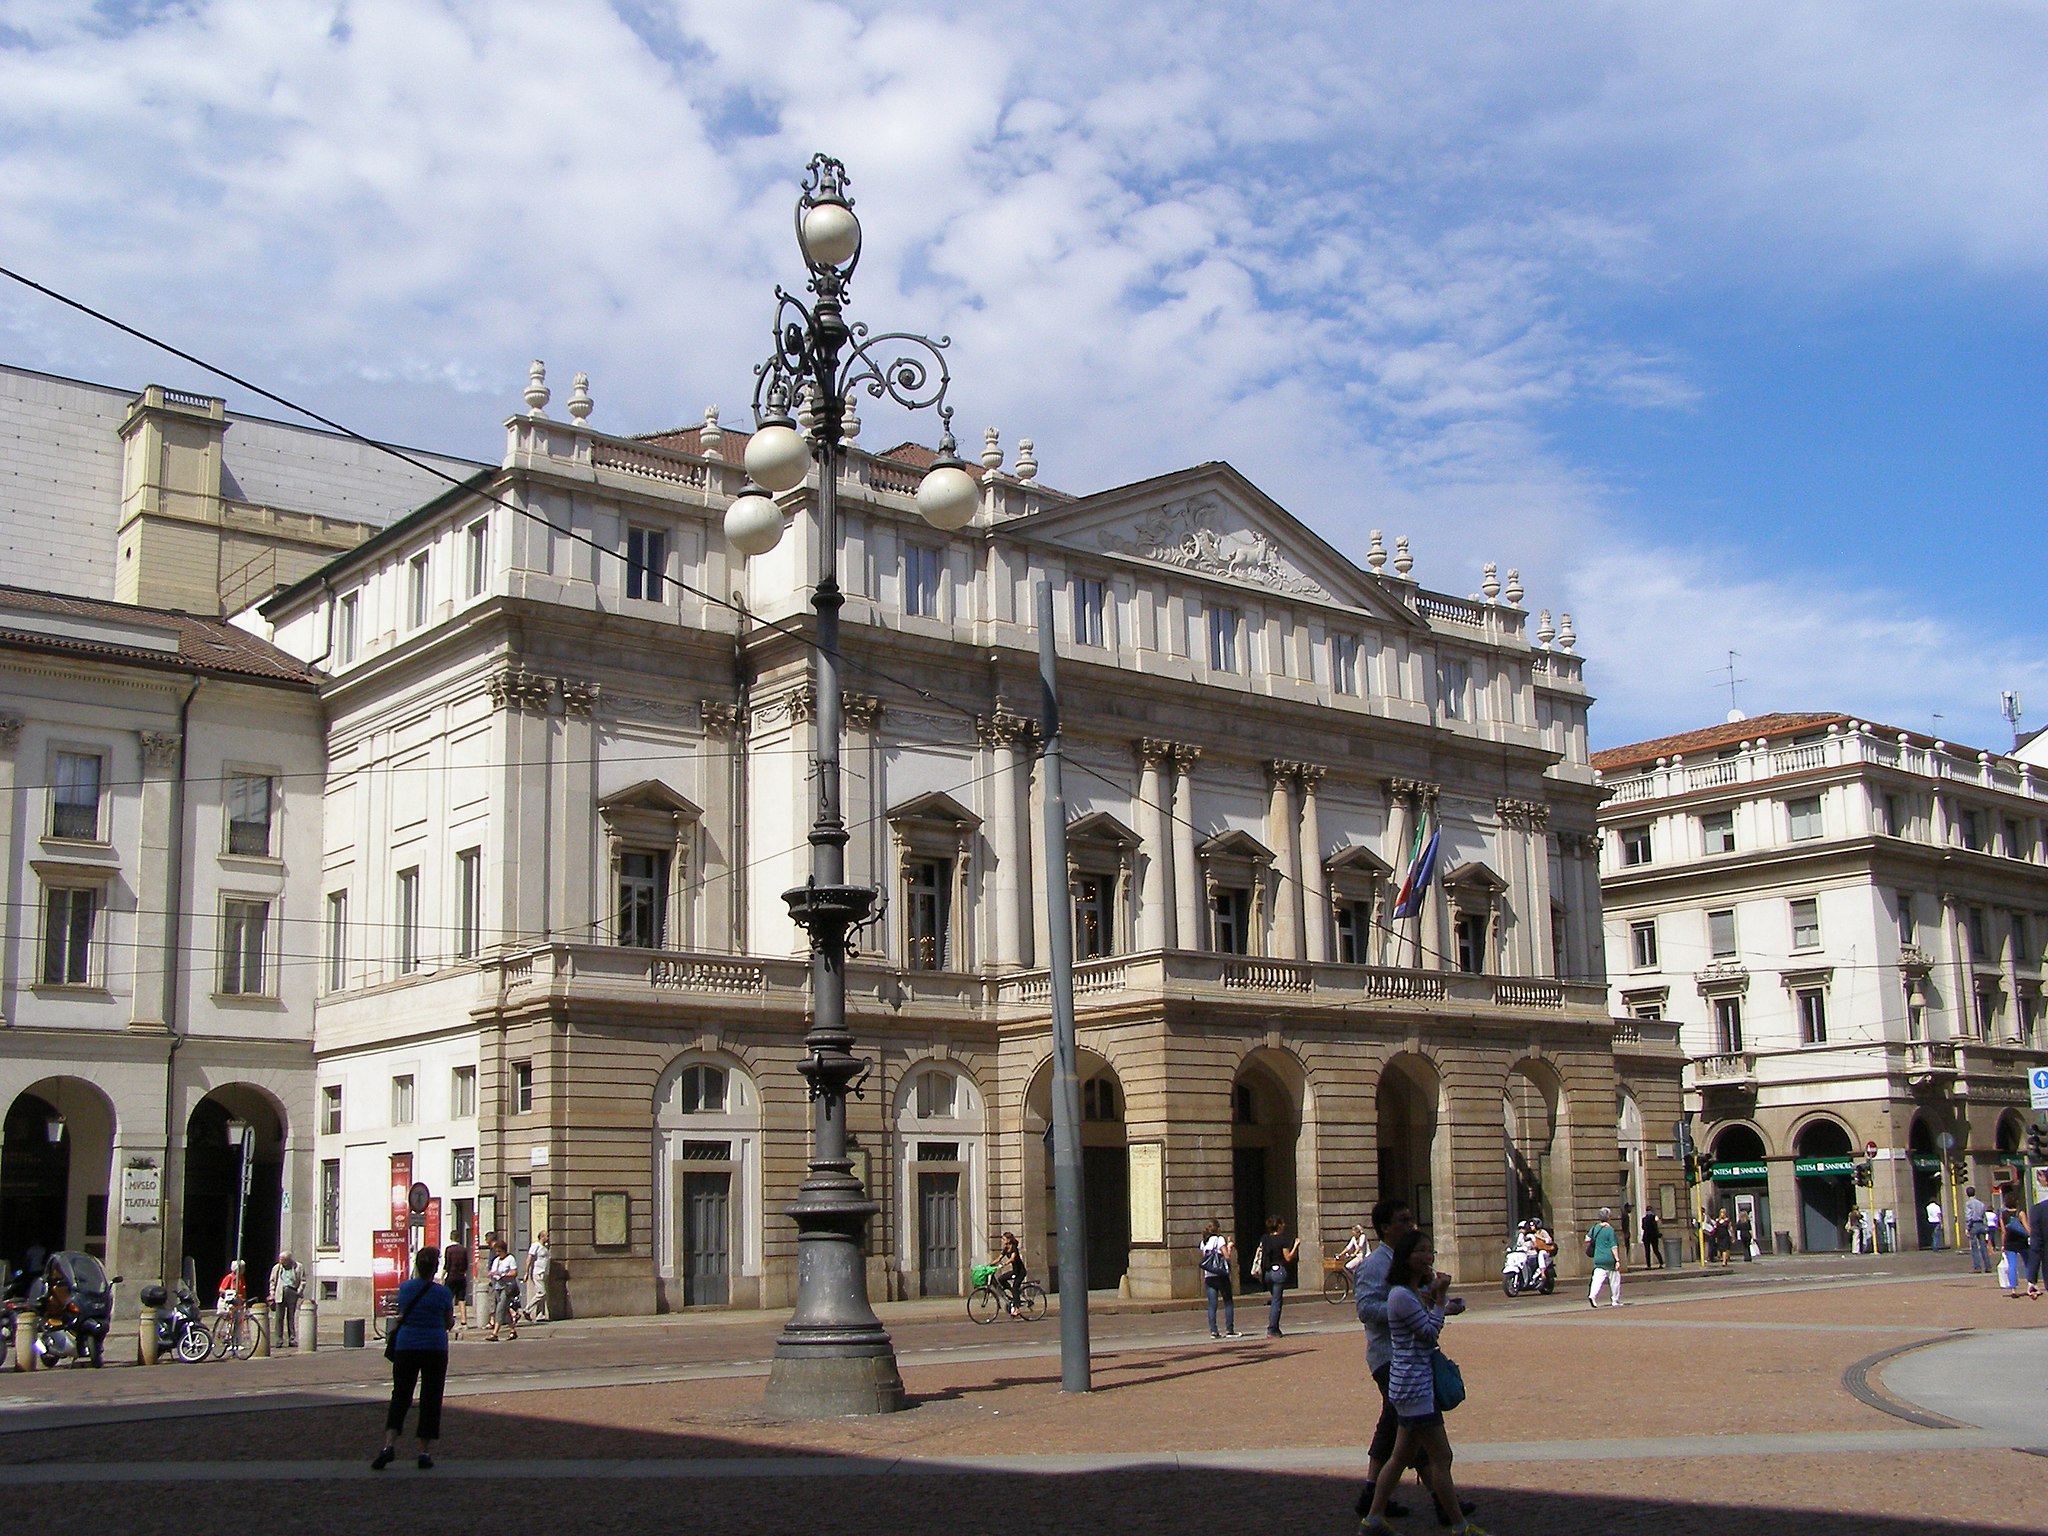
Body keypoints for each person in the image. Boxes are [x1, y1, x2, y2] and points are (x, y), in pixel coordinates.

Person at [1360, 1227, 1485, 1536]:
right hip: (1414, 1385)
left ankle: (1373, 1518)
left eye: (1430, 1251)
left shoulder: (1409, 1293)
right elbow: (1428, 1333)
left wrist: (1435, 1298)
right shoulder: (1401, 1295)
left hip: (1410, 1383)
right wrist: (1440, 1301)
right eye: (1422, 1252)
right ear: (1406, 1258)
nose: (1428, 1257)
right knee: (1441, 1456)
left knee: (1400, 1456)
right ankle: (1459, 1524)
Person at [372, 1245, 454, 1470]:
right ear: (435, 1268)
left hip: (406, 1346)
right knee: (430, 1397)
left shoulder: (406, 1288)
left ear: (417, 1266)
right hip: (435, 1348)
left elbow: (401, 1312)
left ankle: (389, 1444)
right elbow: (448, 1322)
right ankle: (423, 1451)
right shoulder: (443, 1293)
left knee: (400, 1395)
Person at [1254, 1216, 1299, 1337]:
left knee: (1275, 1299)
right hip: (1278, 1272)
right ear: (1278, 1226)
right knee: (1276, 1301)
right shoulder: (1282, 1240)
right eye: (1282, 1223)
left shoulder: (1265, 1238)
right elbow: (1288, 1257)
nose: (1284, 1225)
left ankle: (1275, 1327)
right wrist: (1295, 1245)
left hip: (1267, 1272)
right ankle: (1272, 1328)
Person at [1198, 1220, 1239, 1339]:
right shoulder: (1220, 1239)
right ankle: (1230, 1330)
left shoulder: (1203, 1242)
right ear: (1218, 1228)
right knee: (1228, 1302)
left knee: (1212, 1305)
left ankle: (1213, 1331)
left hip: (1209, 1275)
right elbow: (1226, 1257)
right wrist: (1230, 1247)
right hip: (1221, 1275)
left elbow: (1205, 1259)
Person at [266, 1251, 304, 1348]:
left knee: (291, 1317)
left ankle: (292, 1338)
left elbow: (303, 1280)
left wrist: (298, 1291)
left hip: (292, 1291)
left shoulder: (298, 1266)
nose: (281, 1262)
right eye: (280, 1260)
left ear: (289, 1260)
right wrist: (272, 1294)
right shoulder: (277, 1268)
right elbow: (272, 1281)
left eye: (284, 1260)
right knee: (279, 1318)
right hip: (280, 1292)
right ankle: (279, 1340)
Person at [485, 1239, 519, 1340]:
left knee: (500, 1308)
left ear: (504, 1250)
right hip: (498, 1286)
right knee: (505, 1309)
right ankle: (512, 1331)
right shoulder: (496, 1260)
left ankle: (495, 1333)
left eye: (499, 1251)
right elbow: (492, 1271)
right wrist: (492, 1274)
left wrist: (504, 1274)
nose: (498, 1253)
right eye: (496, 1251)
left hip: (507, 1287)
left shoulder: (510, 1259)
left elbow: (514, 1272)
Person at [1587, 1207, 1622, 1307]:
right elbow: (1613, 1246)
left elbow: (1587, 1239)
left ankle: (1592, 1296)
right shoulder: (1610, 1230)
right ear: (1609, 1217)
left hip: (1598, 1257)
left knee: (1597, 1279)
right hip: (1609, 1258)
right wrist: (1617, 1260)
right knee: (1615, 1279)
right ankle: (1615, 1300)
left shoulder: (1595, 1228)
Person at [1999, 1192, 2029, 1296]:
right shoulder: (2020, 1213)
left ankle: (2013, 1289)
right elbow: (2027, 1228)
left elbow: (2003, 1232)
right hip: (2022, 1242)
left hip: (2009, 1242)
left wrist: (2003, 1245)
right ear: (2016, 1201)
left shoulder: (2003, 1215)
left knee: (2012, 1265)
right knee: (2028, 1263)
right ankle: (2031, 1284)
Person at [443, 1237, 472, 1335]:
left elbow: (447, 1265)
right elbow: (466, 1265)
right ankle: (464, 1322)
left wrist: (442, 1277)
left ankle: (448, 1321)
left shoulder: (449, 1249)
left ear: (451, 1237)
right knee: (461, 1299)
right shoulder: (463, 1249)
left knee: (448, 1299)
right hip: (461, 1277)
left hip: (451, 1276)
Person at [993, 1232, 1026, 1317]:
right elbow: (999, 1258)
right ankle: (1012, 1295)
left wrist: (1004, 1264)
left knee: (1015, 1287)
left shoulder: (1014, 1248)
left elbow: (1012, 1258)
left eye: (1004, 1239)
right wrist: (989, 1265)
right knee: (1001, 1279)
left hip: (1021, 1272)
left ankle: (1017, 1309)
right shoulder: (1005, 1249)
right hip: (1015, 1271)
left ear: (1008, 1240)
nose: (1002, 1240)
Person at [523, 1230, 552, 1324]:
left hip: (544, 1273)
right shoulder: (535, 1245)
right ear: (542, 1237)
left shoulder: (545, 1247)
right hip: (538, 1272)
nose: (548, 1238)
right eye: (547, 1236)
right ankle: (527, 1309)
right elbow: (529, 1259)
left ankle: (540, 1315)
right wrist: (526, 1272)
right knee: (541, 1293)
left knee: (543, 1294)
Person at [1963, 1187, 1990, 1273]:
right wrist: (1986, 1226)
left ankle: (1977, 1267)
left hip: (1973, 1225)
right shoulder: (1981, 1204)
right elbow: (1984, 1216)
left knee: (1974, 1247)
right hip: (1981, 1224)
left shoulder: (1968, 1204)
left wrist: (1967, 1227)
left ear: (1967, 1194)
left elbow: (1969, 1216)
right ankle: (1988, 1266)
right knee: (1983, 1247)